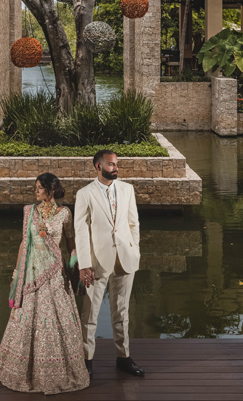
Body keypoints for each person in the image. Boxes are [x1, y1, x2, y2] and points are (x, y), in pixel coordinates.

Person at [0, 173, 90, 395]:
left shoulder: (65, 213)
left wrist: (76, 270)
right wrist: (17, 274)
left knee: (58, 321)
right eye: (35, 187)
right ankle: (22, 372)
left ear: (51, 190)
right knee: (27, 319)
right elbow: (23, 244)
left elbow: (71, 246)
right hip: (32, 275)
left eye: (39, 188)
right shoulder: (29, 212)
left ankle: (59, 373)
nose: (35, 191)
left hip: (56, 275)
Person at [74, 150, 144, 378]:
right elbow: (80, 230)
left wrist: (135, 249)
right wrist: (84, 264)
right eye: (111, 165)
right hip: (96, 263)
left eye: (116, 165)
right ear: (98, 166)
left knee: (122, 312)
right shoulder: (85, 194)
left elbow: (134, 223)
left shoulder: (127, 190)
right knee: (90, 315)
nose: (116, 168)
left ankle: (123, 358)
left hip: (125, 260)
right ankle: (87, 360)